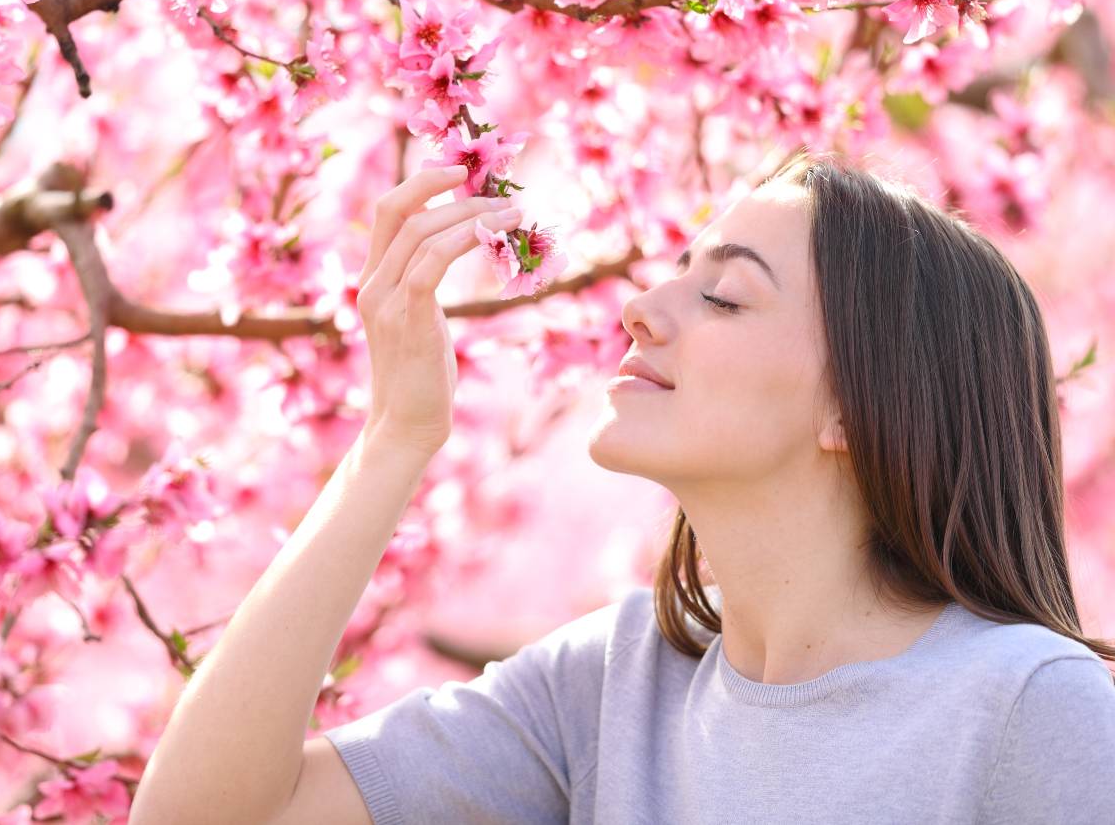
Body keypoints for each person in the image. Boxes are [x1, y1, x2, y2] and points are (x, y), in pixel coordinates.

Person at [128, 151, 1115, 825]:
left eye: (723, 296)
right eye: (675, 274)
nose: (641, 308)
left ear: (858, 408)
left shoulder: (1028, 709)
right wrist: (396, 438)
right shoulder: (615, 681)